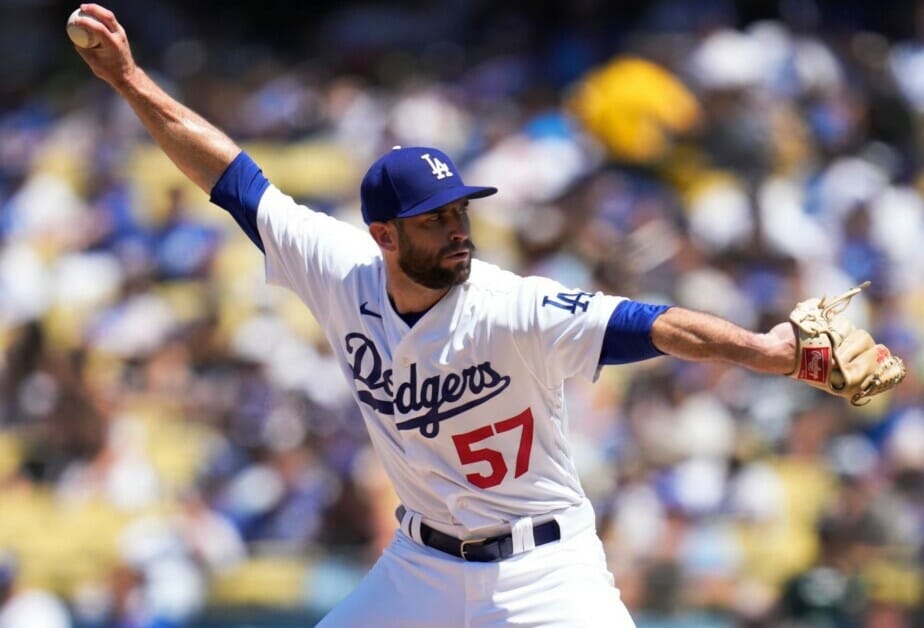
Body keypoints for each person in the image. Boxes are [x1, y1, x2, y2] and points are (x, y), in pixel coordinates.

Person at [70, 5, 903, 626]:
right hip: (420, 568)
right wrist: (129, 81)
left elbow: (653, 322)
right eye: (435, 219)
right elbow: (232, 180)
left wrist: (765, 350)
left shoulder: (512, 305)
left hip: (547, 571)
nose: (457, 228)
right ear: (384, 235)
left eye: (460, 211)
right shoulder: (336, 268)